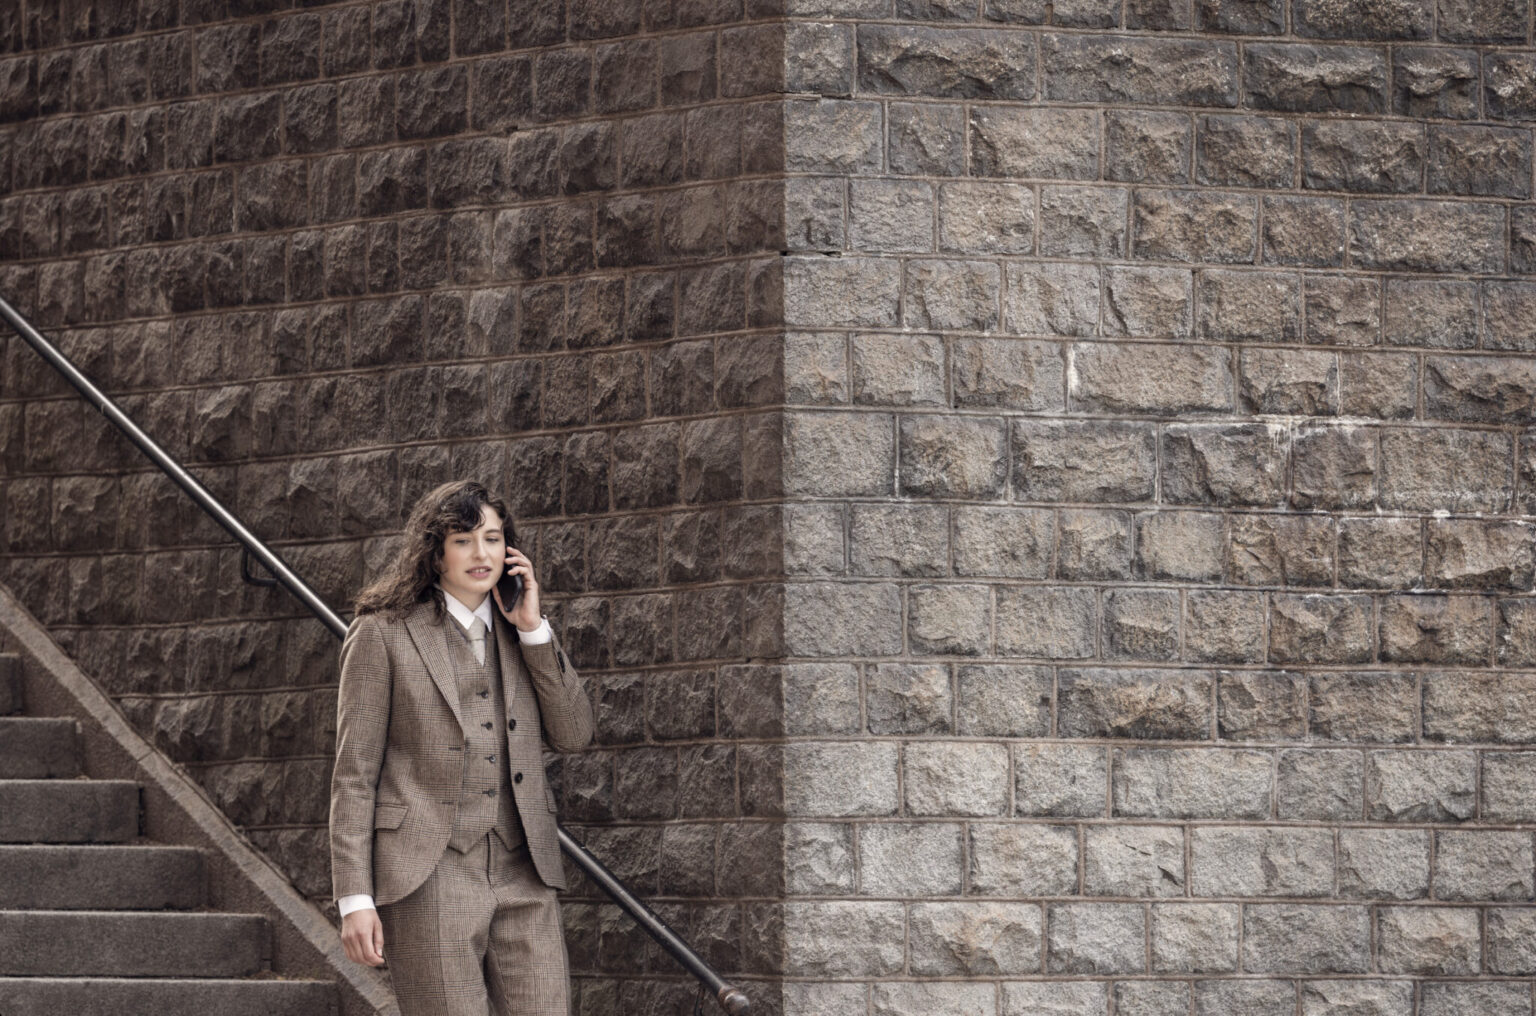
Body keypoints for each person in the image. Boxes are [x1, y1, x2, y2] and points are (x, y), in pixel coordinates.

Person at [329, 479, 593, 1016]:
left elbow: (574, 734)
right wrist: (354, 898)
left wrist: (536, 630)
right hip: (429, 875)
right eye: (463, 540)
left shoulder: (524, 633)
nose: (482, 554)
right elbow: (354, 775)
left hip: (525, 870)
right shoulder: (383, 634)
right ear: (435, 551)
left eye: (493, 539)